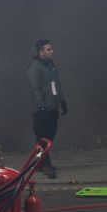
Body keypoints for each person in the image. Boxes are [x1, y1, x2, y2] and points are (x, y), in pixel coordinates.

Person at [26, 40, 67, 179]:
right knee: (43, 139)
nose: (52, 51)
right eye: (48, 49)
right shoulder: (35, 68)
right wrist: (41, 106)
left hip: (52, 108)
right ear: (41, 52)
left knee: (48, 137)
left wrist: (62, 101)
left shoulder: (50, 67)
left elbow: (56, 85)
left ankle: (40, 161)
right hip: (42, 111)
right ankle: (45, 164)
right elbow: (35, 89)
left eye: (51, 49)